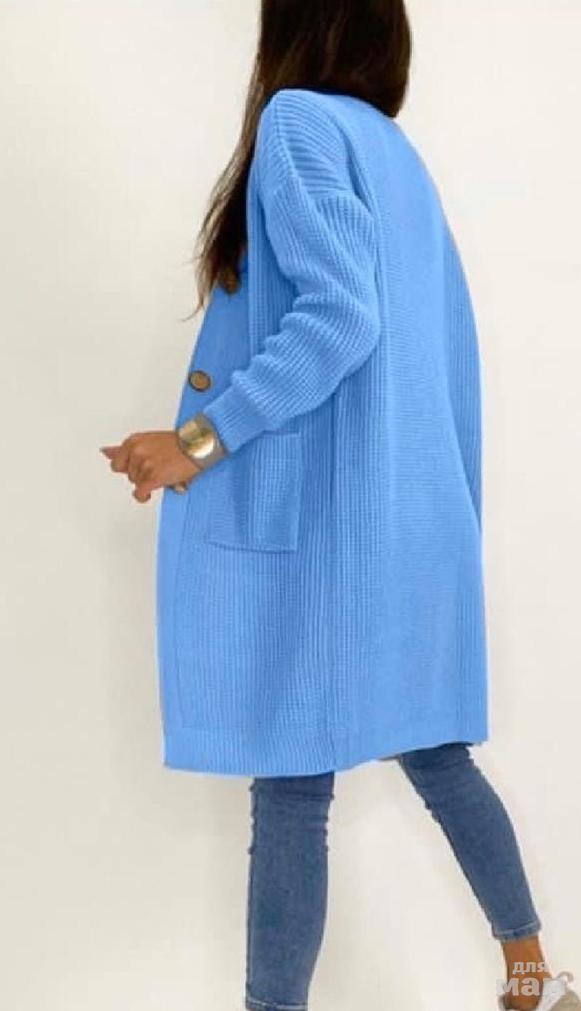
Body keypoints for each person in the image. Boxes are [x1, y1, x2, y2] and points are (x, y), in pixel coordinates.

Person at [100, 2, 578, 1009]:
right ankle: (532, 972)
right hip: (409, 517)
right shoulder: (392, 151)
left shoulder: (297, 123)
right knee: (435, 751)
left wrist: (196, 441)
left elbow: (338, 319)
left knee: (289, 780)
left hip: (329, 525)